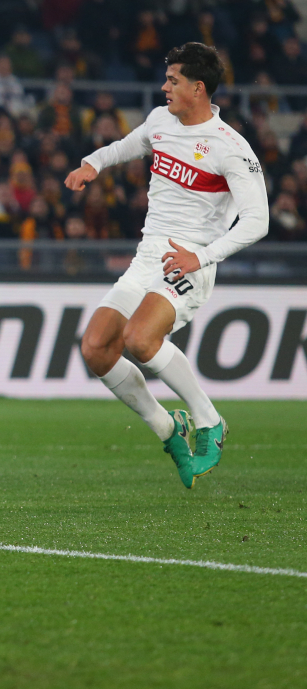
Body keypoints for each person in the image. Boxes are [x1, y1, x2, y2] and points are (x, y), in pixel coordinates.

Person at [64, 43, 269, 489]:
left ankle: (210, 421)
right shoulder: (161, 120)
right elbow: (127, 145)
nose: (164, 87)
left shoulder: (230, 146)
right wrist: (91, 165)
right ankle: (166, 427)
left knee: (140, 338)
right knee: (96, 348)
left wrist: (203, 255)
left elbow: (258, 220)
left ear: (198, 88)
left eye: (173, 80)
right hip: (147, 256)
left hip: (190, 258)